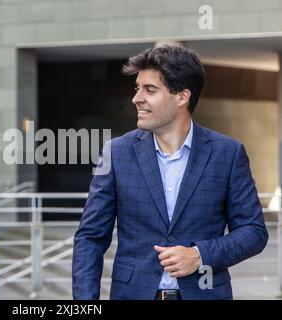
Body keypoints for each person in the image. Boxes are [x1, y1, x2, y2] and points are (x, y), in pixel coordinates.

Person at [72, 45, 268, 300]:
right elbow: (90, 238)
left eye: (150, 90)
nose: (137, 98)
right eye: (137, 88)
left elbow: (254, 232)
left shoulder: (228, 154)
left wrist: (200, 256)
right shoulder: (116, 153)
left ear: (182, 97)